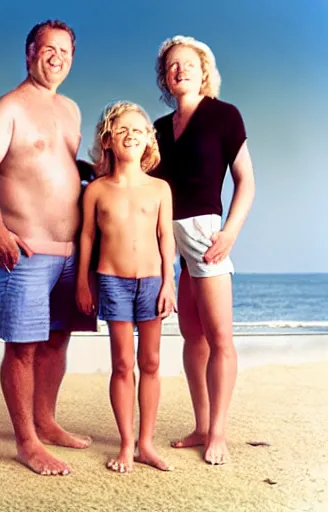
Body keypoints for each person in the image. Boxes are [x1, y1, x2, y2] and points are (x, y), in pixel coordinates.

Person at [0, 20, 96, 476]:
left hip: (70, 253)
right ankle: (27, 442)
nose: (57, 57)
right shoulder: (9, 108)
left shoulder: (73, 110)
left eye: (65, 51)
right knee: (23, 347)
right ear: (29, 53)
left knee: (57, 340)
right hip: (24, 250)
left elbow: (67, 170)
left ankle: (46, 421)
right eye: (48, 49)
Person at [152, 35, 255, 465]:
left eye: (188, 64)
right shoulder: (157, 129)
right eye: (172, 65)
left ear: (204, 71)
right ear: (165, 77)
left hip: (205, 233)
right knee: (192, 337)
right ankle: (200, 424)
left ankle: (218, 433)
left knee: (220, 339)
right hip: (168, 237)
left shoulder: (224, 116)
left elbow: (246, 181)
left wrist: (229, 234)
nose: (180, 70)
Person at [77, 101, 176, 473]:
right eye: (121, 130)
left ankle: (146, 444)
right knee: (122, 364)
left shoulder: (160, 189)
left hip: (152, 282)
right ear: (107, 141)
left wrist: (170, 283)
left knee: (150, 362)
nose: (130, 135)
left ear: (149, 139)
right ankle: (126, 444)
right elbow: (87, 238)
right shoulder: (97, 191)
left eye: (138, 129)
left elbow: (167, 238)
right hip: (111, 281)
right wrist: (84, 284)